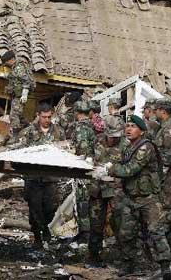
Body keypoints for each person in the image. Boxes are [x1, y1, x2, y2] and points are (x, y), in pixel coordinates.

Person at [97, 115, 171, 279]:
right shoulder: (129, 147)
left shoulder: (145, 147)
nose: (128, 129)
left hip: (148, 198)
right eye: (127, 126)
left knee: (156, 232)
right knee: (126, 233)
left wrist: (110, 169)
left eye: (133, 126)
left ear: (142, 131)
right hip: (131, 197)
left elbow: (130, 169)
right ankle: (129, 264)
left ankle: (165, 267)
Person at [13, 103, 65, 248]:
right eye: (44, 117)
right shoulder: (28, 132)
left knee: (50, 207)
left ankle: (45, 226)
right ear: (38, 115)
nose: (47, 120)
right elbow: (18, 151)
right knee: (35, 208)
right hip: (33, 177)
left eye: (49, 117)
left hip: (51, 178)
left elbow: (65, 151)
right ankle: (38, 236)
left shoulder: (58, 132)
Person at [88, 119, 123, 266]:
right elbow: (88, 154)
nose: (114, 139)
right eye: (111, 135)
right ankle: (94, 256)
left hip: (115, 189)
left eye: (116, 136)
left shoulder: (125, 145)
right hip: (97, 188)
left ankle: (123, 257)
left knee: (120, 222)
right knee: (96, 224)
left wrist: (112, 168)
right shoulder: (97, 140)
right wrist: (89, 161)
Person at [154, 98, 171, 247]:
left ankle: (168, 238)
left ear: (162, 111)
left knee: (167, 205)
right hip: (166, 173)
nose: (155, 112)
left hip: (168, 175)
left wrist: (161, 173)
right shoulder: (165, 126)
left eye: (157, 110)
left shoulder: (169, 129)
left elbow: (169, 155)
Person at [72, 100, 96, 243]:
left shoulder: (81, 128)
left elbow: (82, 148)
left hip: (83, 169)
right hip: (90, 166)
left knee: (82, 201)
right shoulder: (92, 126)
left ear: (77, 113)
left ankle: (85, 234)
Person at [1, 50, 35, 136]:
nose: (7, 64)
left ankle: (15, 135)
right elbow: (14, 77)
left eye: (7, 61)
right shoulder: (16, 67)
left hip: (20, 95)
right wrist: (5, 75)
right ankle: (30, 127)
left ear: (12, 59)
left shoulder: (19, 67)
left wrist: (24, 94)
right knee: (19, 114)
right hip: (17, 95)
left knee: (14, 115)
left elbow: (26, 80)